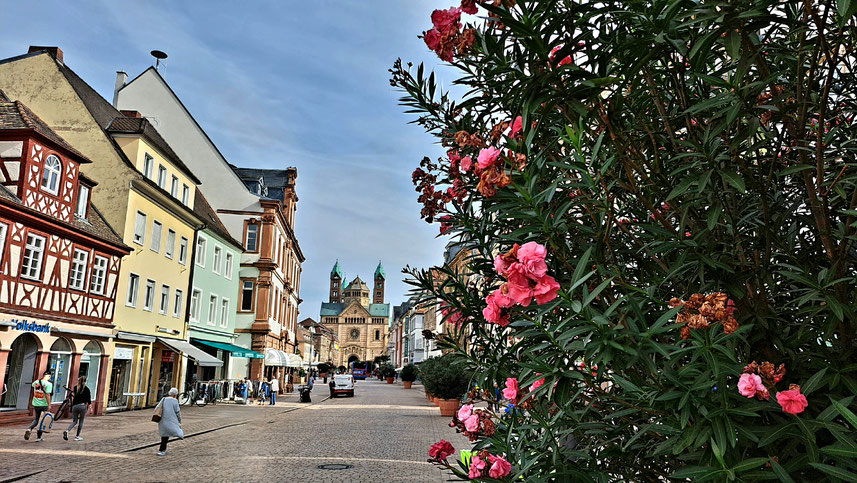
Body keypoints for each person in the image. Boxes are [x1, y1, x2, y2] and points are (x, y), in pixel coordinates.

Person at [24, 370, 52, 441]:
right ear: (48, 376)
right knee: (41, 420)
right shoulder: (49, 384)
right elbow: (48, 395)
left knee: (37, 418)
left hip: (36, 404)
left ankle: (29, 428)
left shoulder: (36, 382)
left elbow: (33, 385)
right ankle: (39, 437)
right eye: (50, 376)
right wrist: (49, 405)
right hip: (44, 404)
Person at [156, 387, 183, 456]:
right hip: (171, 420)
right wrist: (179, 420)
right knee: (174, 430)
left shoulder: (164, 399)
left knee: (164, 435)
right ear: (175, 394)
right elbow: (177, 412)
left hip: (163, 420)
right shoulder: (175, 401)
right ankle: (180, 435)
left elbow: (157, 408)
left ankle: (162, 450)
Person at [64, 375, 91, 441]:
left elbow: (74, 397)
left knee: (75, 421)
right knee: (81, 421)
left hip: (75, 406)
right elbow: (88, 400)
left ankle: (67, 430)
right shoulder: (87, 389)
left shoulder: (76, 387)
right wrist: (90, 407)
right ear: (85, 381)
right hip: (82, 406)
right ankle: (77, 436)